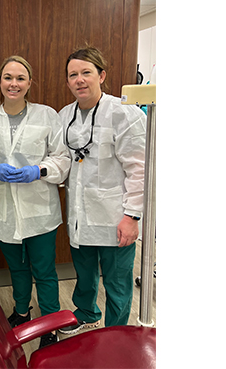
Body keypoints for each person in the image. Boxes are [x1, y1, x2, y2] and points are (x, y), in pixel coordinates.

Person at [0, 55, 71, 350]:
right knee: (17, 268)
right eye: (8, 78)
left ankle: (51, 322)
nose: (14, 84)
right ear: (0, 82)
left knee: (44, 269)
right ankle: (22, 311)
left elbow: (62, 158)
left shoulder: (47, 115)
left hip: (39, 208)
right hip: (3, 208)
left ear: (29, 83)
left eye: (20, 78)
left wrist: (37, 170)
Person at [57, 46, 147, 335]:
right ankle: (86, 313)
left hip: (114, 216)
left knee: (117, 281)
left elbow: (140, 169)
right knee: (84, 275)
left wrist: (132, 216)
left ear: (101, 75)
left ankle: (116, 333)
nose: (79, 80)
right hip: (80, 213)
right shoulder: (65, 115)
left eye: (86, 73)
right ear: (68, 81)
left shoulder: (124, 113)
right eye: (73, 75)